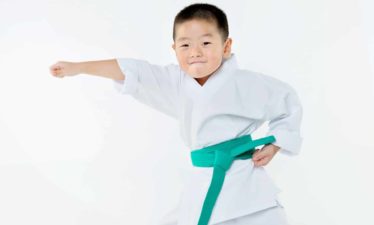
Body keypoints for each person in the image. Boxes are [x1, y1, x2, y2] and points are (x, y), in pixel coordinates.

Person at [49, 3, 303, 225]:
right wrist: (79, 68)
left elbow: (287, 103)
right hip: (204, 178)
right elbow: (133, 71)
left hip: (245, 178)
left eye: (206, 43)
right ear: (174, 49)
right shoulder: (176, 82)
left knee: (262, 216)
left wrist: (277, 143)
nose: (195, 52)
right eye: (185, 45)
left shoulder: (248, 84)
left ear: (226, 46)